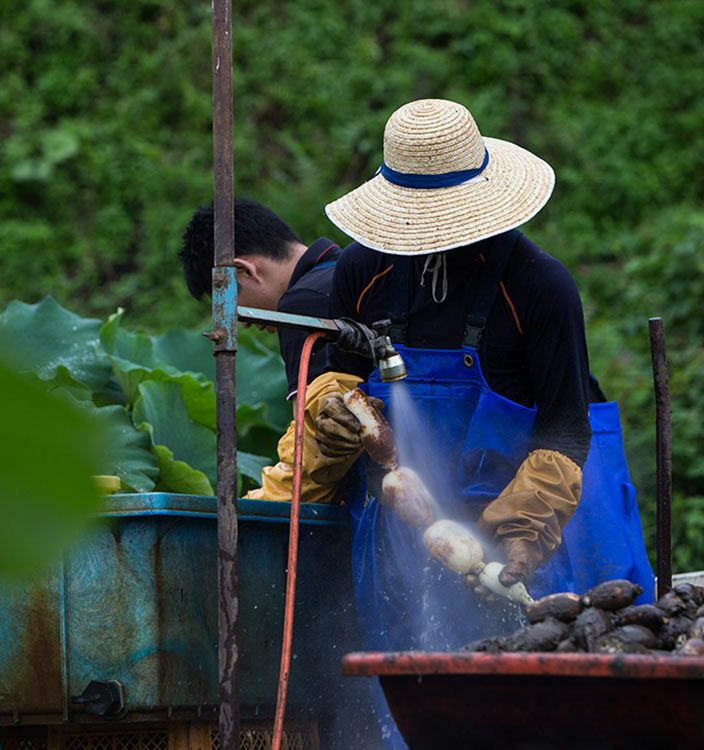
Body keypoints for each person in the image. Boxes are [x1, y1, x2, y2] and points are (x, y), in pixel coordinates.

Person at [302, 97, 653, 747]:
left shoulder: (539, 286)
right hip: (398, 534)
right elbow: (341, 372)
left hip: (510, 541)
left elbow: (567, 426)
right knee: (404, 716)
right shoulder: (362, 271)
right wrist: (332, 406)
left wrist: (523, 530)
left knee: (522, 718)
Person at [180, 198, 358, 503]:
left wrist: (254, 507)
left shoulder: (301, 304)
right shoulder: (346, 273)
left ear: (244, 271)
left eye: (231, 304)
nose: (243, 322)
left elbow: (311, 453)